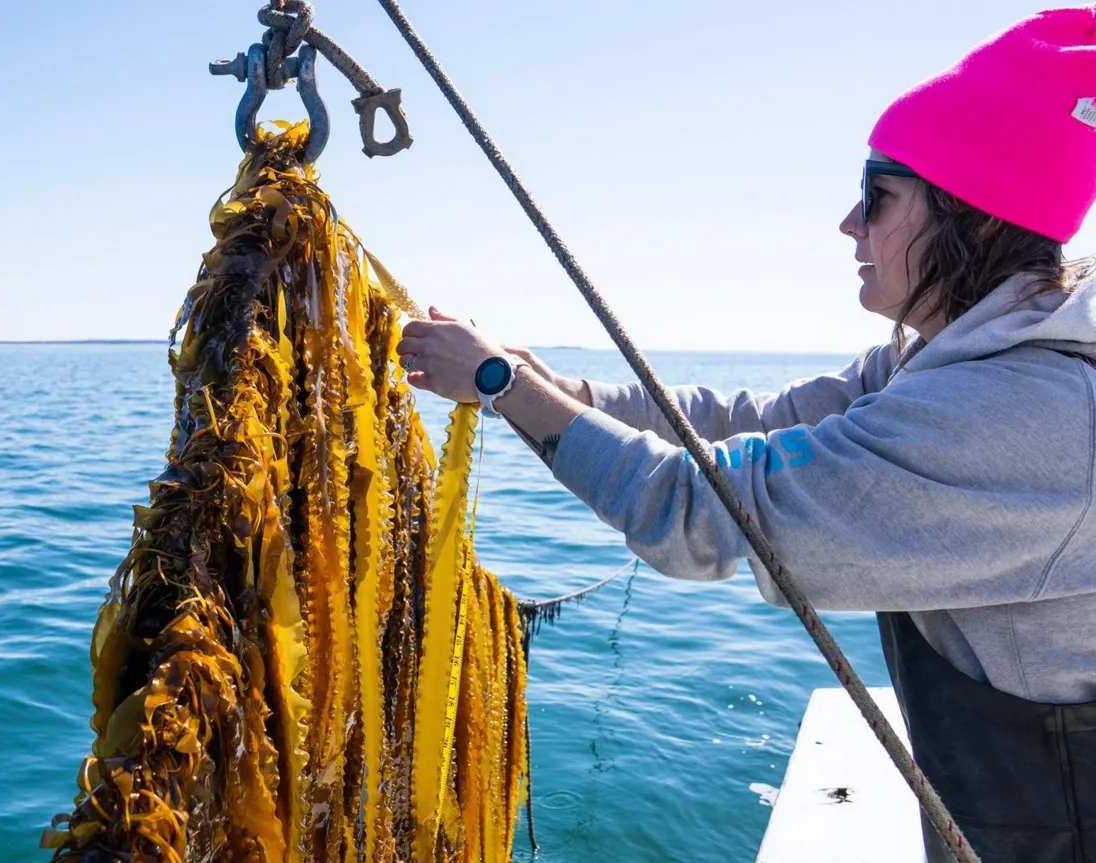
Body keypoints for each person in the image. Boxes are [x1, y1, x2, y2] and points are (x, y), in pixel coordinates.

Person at [397, 6, 1096, 861]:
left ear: (968, 212)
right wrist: (553, 385)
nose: (850, 223)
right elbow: (747, 427)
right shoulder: (949, 363)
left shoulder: (1019, 418)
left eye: (877, 193)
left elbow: (705, 511)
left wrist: (502, 387)